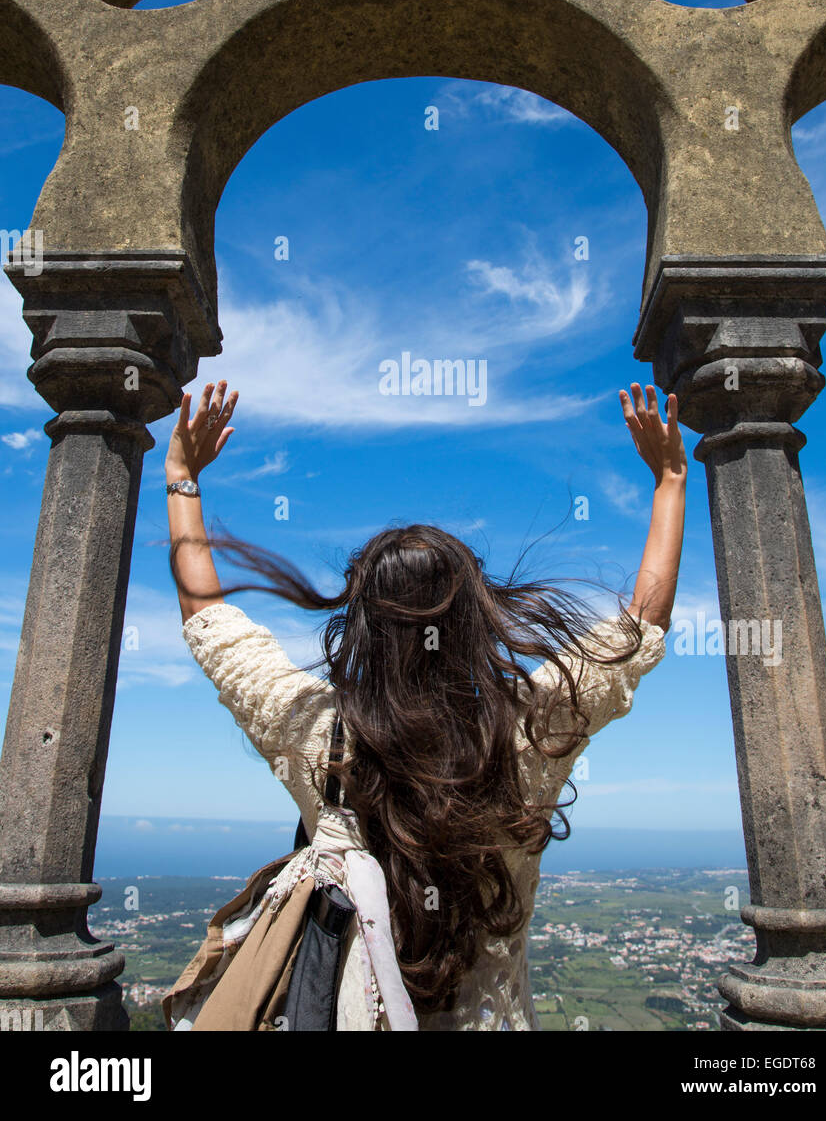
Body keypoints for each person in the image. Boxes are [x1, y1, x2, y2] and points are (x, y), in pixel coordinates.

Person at [164, 378, 686, 1031]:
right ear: (476, 621)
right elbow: (641, 623)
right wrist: (669, 482)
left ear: (361, 628)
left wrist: (182, 477)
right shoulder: (526, 734)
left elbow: (208, 619)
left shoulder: (322, 739)